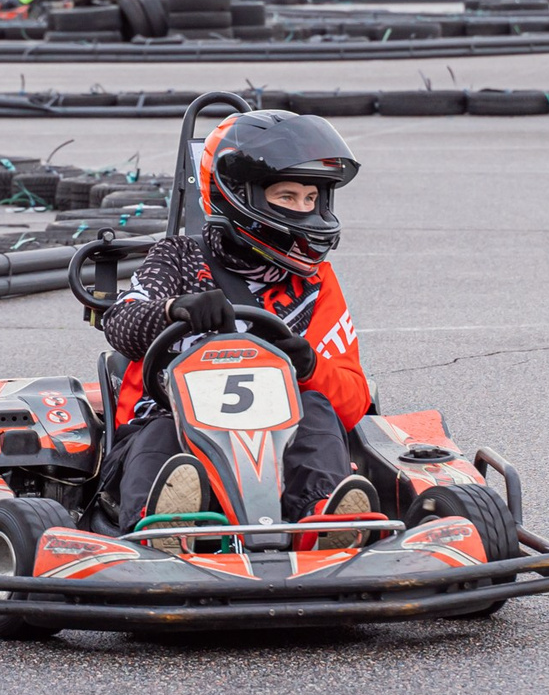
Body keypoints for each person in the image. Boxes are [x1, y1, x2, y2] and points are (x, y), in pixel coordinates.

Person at [99, 110, 378, 535]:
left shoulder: (316, 283)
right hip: (173, 417)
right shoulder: (178, 256)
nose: (304, 209)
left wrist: (310, 369)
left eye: (312, 199)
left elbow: (354, 401)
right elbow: (119, 321)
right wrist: (176, 308)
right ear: (240, 195)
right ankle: (162, 530)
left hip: (278, 435)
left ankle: (322, 523)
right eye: (287, 197)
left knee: (319, 412)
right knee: (159, 434)